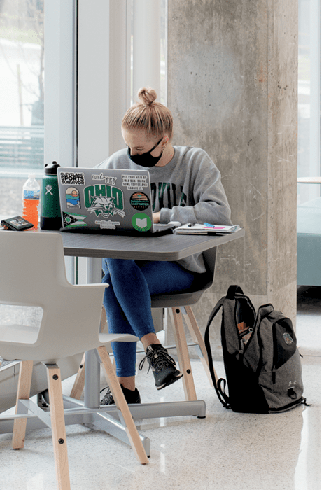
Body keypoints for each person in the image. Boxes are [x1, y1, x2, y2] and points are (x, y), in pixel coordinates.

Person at [97, 87, 232, 405]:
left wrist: (159, 215)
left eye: (141, 149)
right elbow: (91, 202)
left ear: (165, 140)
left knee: (111, 285)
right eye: (129, 147)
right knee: (115, 265)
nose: (133, 156)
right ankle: (154, 350)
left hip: (181, 265)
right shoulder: (119, 163)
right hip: (132, 264)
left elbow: (219, 213)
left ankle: (127, 388)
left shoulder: (194, 162)